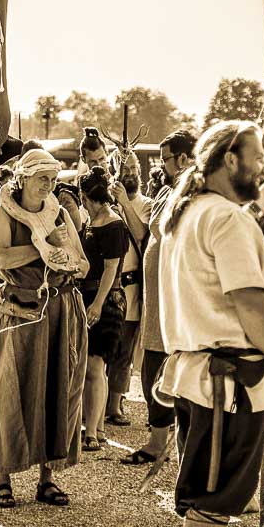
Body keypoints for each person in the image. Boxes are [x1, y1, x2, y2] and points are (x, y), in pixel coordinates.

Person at [153, 120, 264, 527]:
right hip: (228, 380)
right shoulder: (225, 218)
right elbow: (248, 299)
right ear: (230, 159)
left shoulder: (187, 210)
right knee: (217, 490)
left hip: (201, 374)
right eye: (256, 157)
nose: (263, 166)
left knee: (210, 485)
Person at [0, 148, 89, 509]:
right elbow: (0, 258)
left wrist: (69, 262)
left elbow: (83, 262)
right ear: (23, 178)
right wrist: (42, 247)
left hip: (58, 310)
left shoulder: (60, 213)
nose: (49, 185)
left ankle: (47, 478)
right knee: (9, 389)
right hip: (17, 309)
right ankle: (3, 479)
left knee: (56, 388)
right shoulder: (0, 213)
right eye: (43, 178)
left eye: (53, 179)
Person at [122, 129, 195, 467]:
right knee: (152, 368)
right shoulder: (166, 191)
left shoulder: (193, 192)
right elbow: (146, 233)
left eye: (166, 159)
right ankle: (157, 441)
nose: (161, 165)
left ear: (184, 158)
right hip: (155, 298)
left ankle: (166, 444)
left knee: (166, 368)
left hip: (175, 297)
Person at [77, 167, 129, 451]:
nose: (82, 203)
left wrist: (97, 304)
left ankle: (93, 432)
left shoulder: (113, 223)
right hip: (89, 295)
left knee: (95, 366)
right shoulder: (92, 221)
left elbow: (111, 269)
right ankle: (95, 427)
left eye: (84, 198)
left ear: (89, 197)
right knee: (93, 368)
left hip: (106, 300)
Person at [104, 145, 152, 428]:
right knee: (103, 347)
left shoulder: (146, 204)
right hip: (107, 283)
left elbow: (141, 233)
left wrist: (124, 203)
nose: (131, 173)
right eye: (125, 169)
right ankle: (98, 402)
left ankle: (115, 403)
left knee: (124, 348)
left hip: (131, 287)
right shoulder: (106, 201)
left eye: (134, 168)